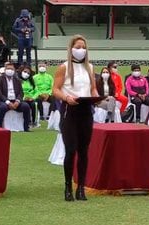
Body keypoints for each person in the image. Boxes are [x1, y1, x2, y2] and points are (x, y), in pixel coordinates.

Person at [52, 35, 99, 201]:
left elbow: (92, 89)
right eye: (78, 47)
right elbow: (55, 89)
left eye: (83, 47)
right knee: (71, 150)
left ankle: (81, 188)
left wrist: (98, 97)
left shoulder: (90, 68)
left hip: (86, 109)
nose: (81, 50)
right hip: (70, 109)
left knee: (84, 151)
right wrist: (66, 98)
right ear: (71, 48)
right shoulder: (64, 68)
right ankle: (67, 187)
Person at [0, 62, 30, 131]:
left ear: (14, 71)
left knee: (26, 106)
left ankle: (26, 127)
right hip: (3, 101)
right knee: (2, 107)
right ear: (5, 70)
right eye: (8, 69)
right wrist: (8, 102)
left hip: (15, 101)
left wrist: (18, 101)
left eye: (11, 69)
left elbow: (21, 93)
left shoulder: (18, 80)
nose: (10, 70)